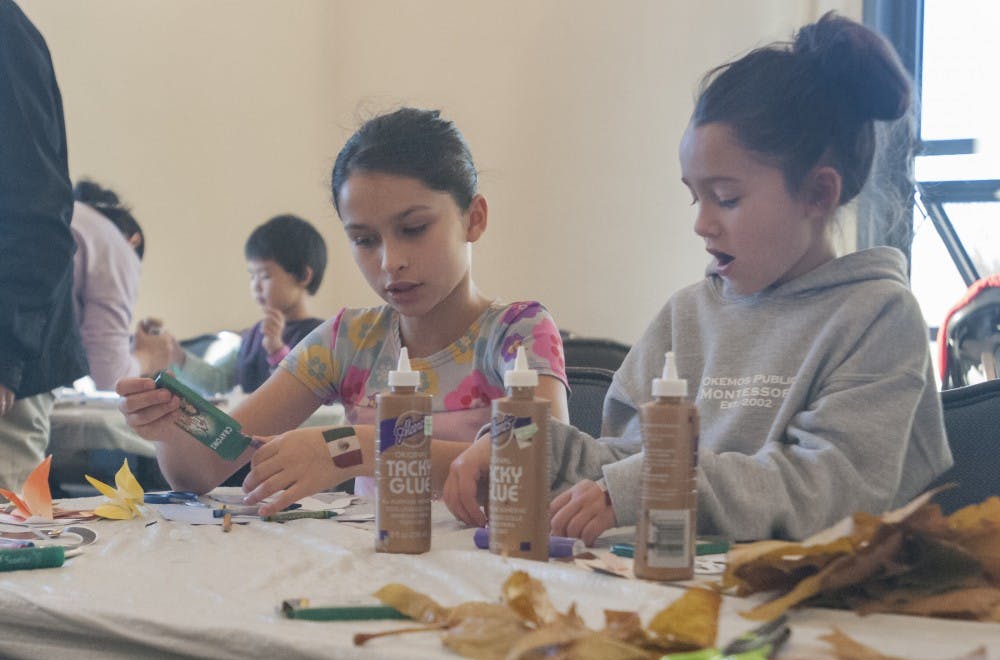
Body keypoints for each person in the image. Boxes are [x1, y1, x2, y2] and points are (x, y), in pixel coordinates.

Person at [444, 13, 953, 544]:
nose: (701, 223)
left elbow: (827, 489)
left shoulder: (878, 318)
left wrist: (651, 488)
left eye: (727, 198)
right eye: (695, 196)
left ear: (819, 194)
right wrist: (527, 446)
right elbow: (625, 463)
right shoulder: (687, 315)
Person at [116, 108, 569, 514]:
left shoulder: (519, 332)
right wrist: (171, 429)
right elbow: (205, 469)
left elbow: (544, 460)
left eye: (413, 228)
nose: (391, 261)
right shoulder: (349, 341)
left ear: (474, 218)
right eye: (365, 240)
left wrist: (353, 449)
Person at [0, 0, 90, 490]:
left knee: (9, 564)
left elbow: (35, 209)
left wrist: (5, 357)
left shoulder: (3, 32)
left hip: (8, 369)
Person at [134, 214, 328, 395]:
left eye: (265, 276)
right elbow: (218, 382)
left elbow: (307, 394)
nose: (256, 286)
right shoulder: (252, 336)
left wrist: (277, 351)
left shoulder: (322, 336)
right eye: (252, 276)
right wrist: (178, 356)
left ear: (303, 276)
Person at [71, 179, 153, 390]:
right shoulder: (116, 245)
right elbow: (109, 378)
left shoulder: (70, 217)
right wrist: (149, 357)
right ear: (134, 241)